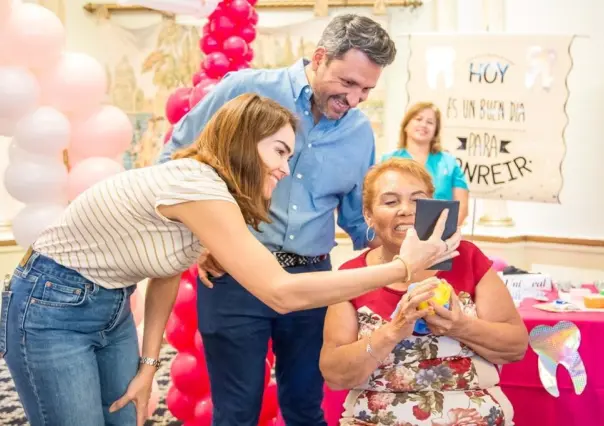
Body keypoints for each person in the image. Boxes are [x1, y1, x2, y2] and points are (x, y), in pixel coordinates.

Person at [0, 94, 460, 426]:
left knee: (124, 418)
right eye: (279, 152)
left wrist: (147, 368)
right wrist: (402, 268)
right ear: (243, 143)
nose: (285, 168)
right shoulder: (198, 186)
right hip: (50, 305)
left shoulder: (216, 195)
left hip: (111, 306)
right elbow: (281, 291)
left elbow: (162, 276)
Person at [159, 14, 398, 426]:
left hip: (311, 282)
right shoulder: (244, 90)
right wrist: (200, 239)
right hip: (234, 275)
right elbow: (174, 162)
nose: (355, 99)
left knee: (306, 406)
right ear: (320, 57)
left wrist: (403, 245)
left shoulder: (359, 132)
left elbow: (360, 220)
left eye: (367, 90)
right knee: (237, 411)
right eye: (347, 84)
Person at [319, 158, 528, 425]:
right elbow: (335, 374)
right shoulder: (353, 276)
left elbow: (516, 347)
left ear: (434, 207)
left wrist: (460, 326)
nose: (406, 210)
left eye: (418, 200)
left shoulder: (467, 258)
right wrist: (393, 331)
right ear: (369, 215)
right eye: (391, 202)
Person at [382, 102, 470, 225]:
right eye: (418, 119)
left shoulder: (450, 163)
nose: (423, 125)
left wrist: (441, 236)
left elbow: (462, 209)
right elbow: (376, 203)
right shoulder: (388, 162)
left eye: (430, 122)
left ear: (435, 131)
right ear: (406, 126)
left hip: (439, 237)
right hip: (396, 234)